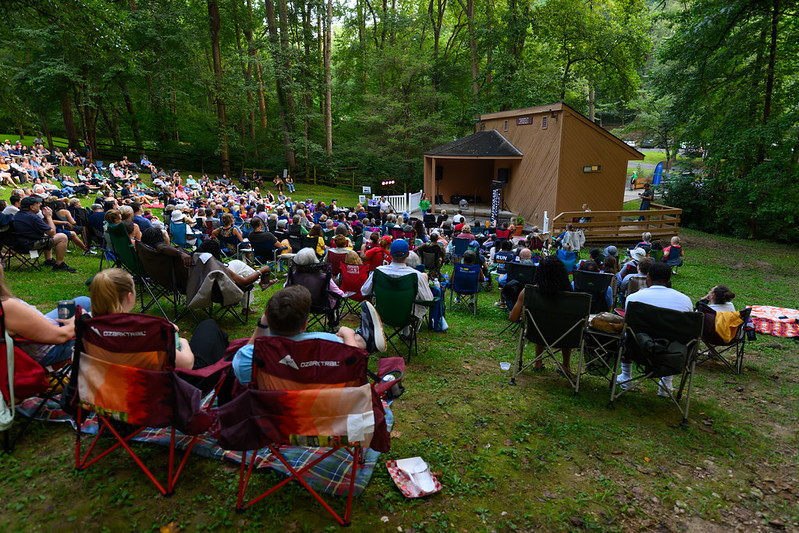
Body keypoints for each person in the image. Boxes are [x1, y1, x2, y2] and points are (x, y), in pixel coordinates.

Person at [231, 285, 387, 385]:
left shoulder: (248, 358)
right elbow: (355, 360)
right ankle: (363, 340)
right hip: (322, 415)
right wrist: (347, 333)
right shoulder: (327, 342)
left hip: (273, 421)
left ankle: (363, 339)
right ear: (305, 324)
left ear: (268, 318)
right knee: (343, 338)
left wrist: (262, 324)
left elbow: (251, 347)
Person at [89, 268, 228, 371]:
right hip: (158, 391)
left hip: (107, 393)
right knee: (209, 326)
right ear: (129, 297)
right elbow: (187, 364)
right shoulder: (147, 330)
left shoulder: (87, 329)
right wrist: (181, 341)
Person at [622, 262, 693, 397]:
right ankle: (666, 384)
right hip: (672, 353)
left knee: (627, 333)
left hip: (638, 350)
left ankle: (626, 377)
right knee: (676, 338)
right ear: (668, 279)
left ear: (648, 277)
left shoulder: (633, 299)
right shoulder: (684, 301)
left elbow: (628, 327)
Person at [0, 262, 89, 366]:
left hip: (40, 333)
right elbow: (61, 336)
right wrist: (76, 322)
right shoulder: (7, 307)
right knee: (99, 326)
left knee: (84, 301)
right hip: (48, 350)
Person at [508, 255, 574, 377]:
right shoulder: (573, 297)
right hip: (565, 336)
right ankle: (566, 366)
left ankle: (538, 362)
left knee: (540, 321)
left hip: (537, 334)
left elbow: (513, 318)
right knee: (565, 324)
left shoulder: (528, 292)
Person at [361, 239, 434, 324]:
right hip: (408, 317)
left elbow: (364, 291)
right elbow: (428, 299)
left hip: (382, 314)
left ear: (391, 254)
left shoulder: (378, 272)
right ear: (407, 255)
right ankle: (406, 334)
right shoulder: (416, 275)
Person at [13, 196, 75, 272]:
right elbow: (52, 232)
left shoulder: (18, 215)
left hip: (18, 244)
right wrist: (49, 217)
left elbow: (45, 230)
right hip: (29, 245)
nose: (40, 204)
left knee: (46, 236)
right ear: (32, 207)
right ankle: (59, 264)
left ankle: (49, 260)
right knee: (62, 237)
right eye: (37, 203)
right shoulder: (33, 217)